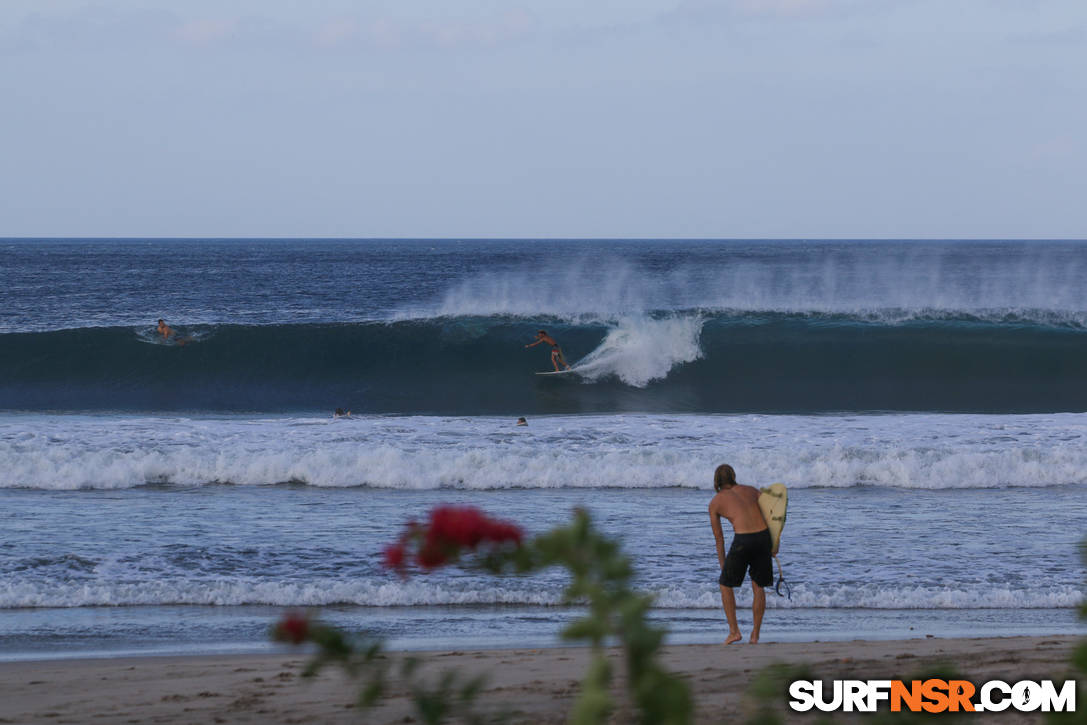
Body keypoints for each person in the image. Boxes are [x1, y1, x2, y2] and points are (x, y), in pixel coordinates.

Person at [708, 463, 773, 644]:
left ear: (716, 481)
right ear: (733, 476)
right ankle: (755, 635)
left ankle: (734, 632)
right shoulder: (752, 491)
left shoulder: (715, 502)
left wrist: (723, 566)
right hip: (763, 537)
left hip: (743, 540)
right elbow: (773, 515)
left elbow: (719, 539)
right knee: (758, 586)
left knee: (725, 585)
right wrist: (775, 543)